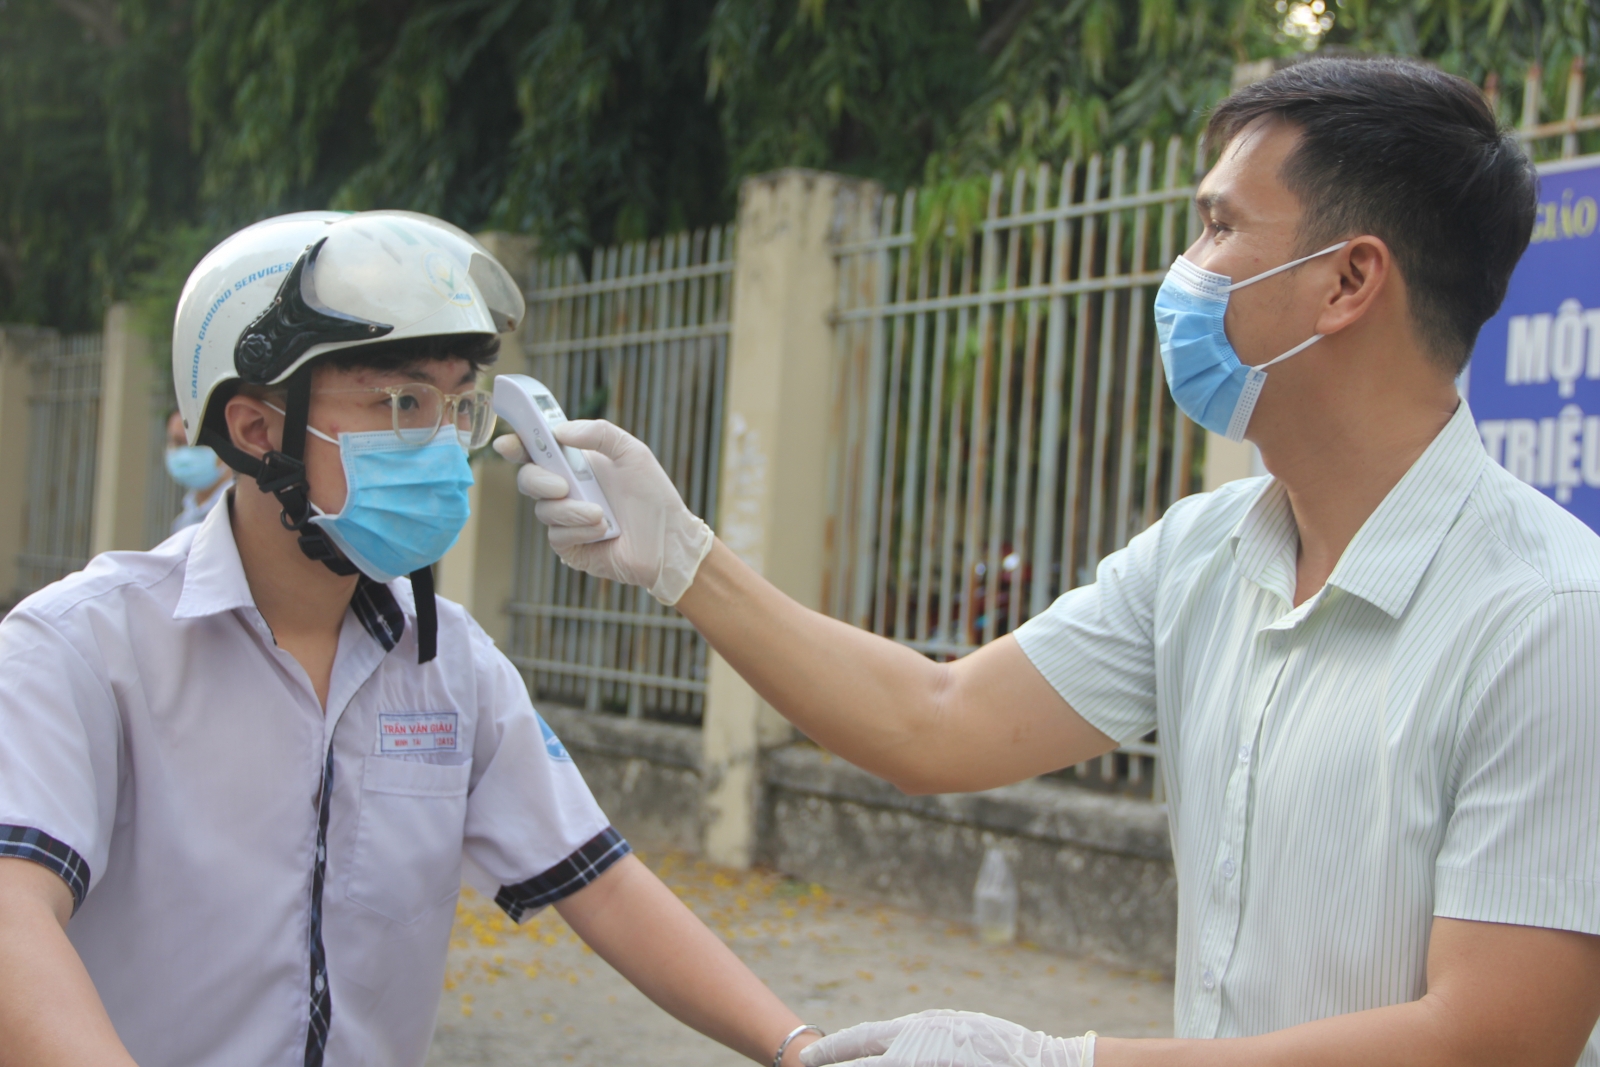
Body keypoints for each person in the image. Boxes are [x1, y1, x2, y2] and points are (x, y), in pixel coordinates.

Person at [501, 58, 1600, 1067]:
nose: (1184, 271)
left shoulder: (1548, 618)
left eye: (1219, 227)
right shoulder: (1205, 553)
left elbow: (1494, 1036)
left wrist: (1058, 1061)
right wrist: (683, 558)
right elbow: (935, 720)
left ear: (1347, 280)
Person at [0, 210, 823, 1067]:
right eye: (399, 402)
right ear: (254, 430)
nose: (440, 442)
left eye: (455, 404)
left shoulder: (453, 665)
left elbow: (601, 882)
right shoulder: (82, 650)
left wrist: (802, 1048)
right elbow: (12, 919)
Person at [163, 407, 233, 532]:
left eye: (197, 442)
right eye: (178, 442)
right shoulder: (183, 521)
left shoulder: (242, 512)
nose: (186, 452)